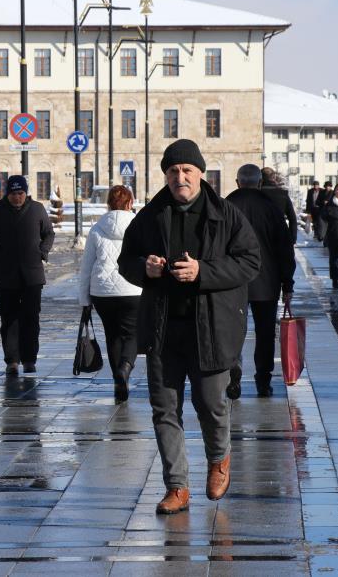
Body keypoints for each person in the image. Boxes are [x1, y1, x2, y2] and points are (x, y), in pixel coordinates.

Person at [118, 139, 261, 514]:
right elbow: (126, 260)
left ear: (200, 174)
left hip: (212, 328)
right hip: (163, 327)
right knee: (164, 408)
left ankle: (219, 459)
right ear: (165, 176)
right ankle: (177, 487)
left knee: (210, 403)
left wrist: (202, 271)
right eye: (172, 171)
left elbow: (250, 262)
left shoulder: (226, 215)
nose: (179, 177)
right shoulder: (151, 215)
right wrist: (144, 269)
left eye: (186, 170)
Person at [225, 165, 295, 398]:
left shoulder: (225, 206)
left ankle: (232, 369)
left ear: (237, 182)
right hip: (267, 281)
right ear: (259, 183)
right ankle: (263, 379)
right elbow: (284, 247)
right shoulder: (271, 208)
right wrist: (287, 283)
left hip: (233, 281)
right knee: (265, 333)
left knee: (232, 329)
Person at [0, 175, 55, 375]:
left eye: (21, 193)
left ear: (25, 193)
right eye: (13, 194)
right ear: (7, 194)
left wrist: (42, 252)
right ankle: (12, 360)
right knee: (9, 319)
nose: (17, 197)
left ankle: (29, 359)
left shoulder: (37, 209)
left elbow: (49, 233)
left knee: (31, 318)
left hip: (32, 275)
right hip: (5, 274)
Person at [77, 185, 142, 403]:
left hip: (102, 292)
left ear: (109, 204)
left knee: (112, 335)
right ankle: (125, 368)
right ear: (130, 203)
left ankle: (117, 381)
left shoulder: (97, 229)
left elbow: (86, 268)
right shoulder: (139, 226)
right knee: (132, 333)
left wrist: (84, 300)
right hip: (132, 289)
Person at [260, 167, 298, 245]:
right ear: (274, 177)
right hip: (280, 235)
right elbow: (292, 218)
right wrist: (292, 239)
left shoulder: (256, 193)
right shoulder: (282, 194)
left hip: (260, 236)